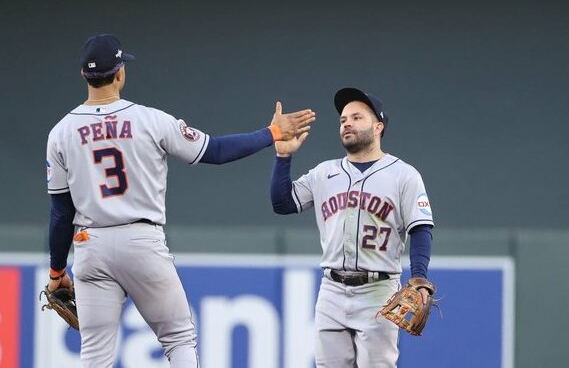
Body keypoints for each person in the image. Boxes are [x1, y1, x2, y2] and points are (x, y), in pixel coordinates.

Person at [45, 33, 315, 367]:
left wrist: (57, 270)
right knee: (178, 338)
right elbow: (214, 151)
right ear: (120, 73)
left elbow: (60, 213)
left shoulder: (60, 133)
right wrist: (271, 133)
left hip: (90, 243)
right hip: (140, 239)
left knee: (95, 353)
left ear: (84, 76)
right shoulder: (150, 120)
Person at [270, 87, 435, 368]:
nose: (346, 123)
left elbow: (420, 228)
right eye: (343, 119)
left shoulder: (403, 174)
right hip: (331, 289)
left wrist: (419, 278)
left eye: (357, 117)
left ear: (378, 126)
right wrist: (283, 157)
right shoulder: (324, 172)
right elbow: (283, 203)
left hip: (378, 291)